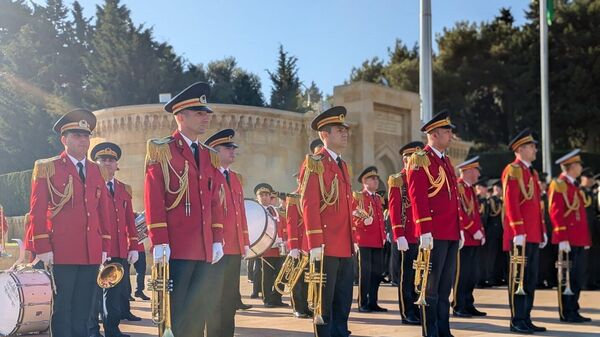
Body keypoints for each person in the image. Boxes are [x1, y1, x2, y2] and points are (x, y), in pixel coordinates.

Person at [144, 82, 226, 337]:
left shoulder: (209, 155)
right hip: (176, 248)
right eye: (199, 113)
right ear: (181, 116)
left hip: (203, 249)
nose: (206, 118)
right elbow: (154, 197)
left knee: (197, 314)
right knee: (174, 313)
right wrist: (159, 241)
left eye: (206, 113)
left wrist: (217, 238)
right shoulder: (162, 149)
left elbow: (214, 201)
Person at [29, 109, 111, 337]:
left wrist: (105, 245)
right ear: (64, 139)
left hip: (90, 251)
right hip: (61, 251)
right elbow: (36, 211)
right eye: (77, 135)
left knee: (85, 310)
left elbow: (103, 212)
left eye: (86, 135)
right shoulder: (49, 167)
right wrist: (42, 247)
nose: (83, 140)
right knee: (63, 309)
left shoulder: (97, 170)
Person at [300, 106, 355, 337]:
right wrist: (314, 243)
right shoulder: (315, 163)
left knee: (343, 302)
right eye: (338, 130)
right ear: (324, 135)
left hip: (345, 244)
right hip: (325, 245)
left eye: (345, 130)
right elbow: (309, 204)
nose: (344, 134)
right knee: (324, 304)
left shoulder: (343, 165)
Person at [406, 110, 461, 337]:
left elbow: (452, 198)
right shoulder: (420, 159)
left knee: (445, 286)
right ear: (434, 134)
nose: (451, 135)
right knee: (431, 288)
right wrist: (424, 230)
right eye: (447, 132)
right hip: (434, 233)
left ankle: (444, 330)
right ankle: (431, 332)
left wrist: (459, 229)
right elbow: (417, 197)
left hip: (450, 232)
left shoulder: (445, 160)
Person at [89, 142, 140, 337]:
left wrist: (133, 246)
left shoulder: (124, 189)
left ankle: (112, 329)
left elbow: (129, 221)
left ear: (116, 164)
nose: (107, 163)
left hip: (118, 249)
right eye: (102, 160)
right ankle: (93, 331)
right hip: (98, 248)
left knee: (115, 294)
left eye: (111, 160)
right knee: (94, 293)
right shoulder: (92, 186)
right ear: (96, 163)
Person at [204, 129, 252, 337]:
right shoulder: (208, 175)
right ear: (215, 151)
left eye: (233, 148)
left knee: (230, 297)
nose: (233, 151)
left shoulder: (235, 178)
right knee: (213, 298)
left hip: (233, 247)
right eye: (227, 148)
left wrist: (245, 241)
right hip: (216, 246)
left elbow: (240, 212)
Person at [502, 128, 547, 334]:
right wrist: (518, 230)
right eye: (531, 146)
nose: (535, 149)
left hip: (533, 234)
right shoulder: (513, 170)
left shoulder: (532, 172)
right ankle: (517, 319)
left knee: (530, 278)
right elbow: (511, 204)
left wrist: (542, 230)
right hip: (520, 235)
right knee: (518, 278)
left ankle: (526, 317)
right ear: (520, 149)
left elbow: (537, 205)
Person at [549, 149, 592, 323]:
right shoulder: (559, 184)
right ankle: (566, 311)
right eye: (579, 164)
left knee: (577, 276)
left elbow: (580, 216)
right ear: (572, 166)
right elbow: (555, 212)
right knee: (566, 277)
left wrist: (586, 239)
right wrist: (562, 237)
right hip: (567, 239)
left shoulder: (573, 186)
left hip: (579, 239)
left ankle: (574, 308)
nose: (581, 167)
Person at [389, 141, 424, 326]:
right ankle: (407, 311)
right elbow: (395, 209)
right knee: (408, 276)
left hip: (421, 235)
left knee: (422, 274)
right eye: (412, 159)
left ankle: (419, 308)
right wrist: (398, 234)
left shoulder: (423, 178)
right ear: (405, 160)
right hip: (407, 235)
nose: (415, 162)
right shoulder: (398, 179)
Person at [452, 157, 487, 318]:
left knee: (473, 273)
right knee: (462, 274)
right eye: (476, 170)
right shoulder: (458, 187)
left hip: (474, 237)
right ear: (467, 171)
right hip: (464, 237)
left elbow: (475, 214)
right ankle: (459, 305)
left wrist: (481, 232)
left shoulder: (470, 188)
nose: (478, 174)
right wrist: (474, 230)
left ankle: (468, 303)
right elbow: (460, 213)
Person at [354, 166, 387, 313]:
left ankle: (373, 301)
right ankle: (363, 302)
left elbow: (380, 219)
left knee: (376, 274)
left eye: (376, 178)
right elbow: (353, 216)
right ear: (364, 181)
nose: (376, 180)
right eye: (372, 178)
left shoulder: (378, 198)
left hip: (378, 241)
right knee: (365, 274)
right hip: (365, 241)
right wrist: (362, 222)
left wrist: (383, 236)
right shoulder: (359, 196)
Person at [254, 183, 289, 308]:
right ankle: (267, 299)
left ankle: (277, 298)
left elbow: (283, 226)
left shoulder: (275, 210)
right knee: (267, 275)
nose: (264, 197)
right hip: (266, 247)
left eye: (267, 195)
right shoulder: (257, 211)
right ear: (257, 198)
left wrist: (285, 240)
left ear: (270, 197)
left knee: (282, 274)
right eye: (261, 195)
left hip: (279, 248)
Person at [580, 168, 600, 290]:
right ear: (582, 178)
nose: (590, 180)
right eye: (588, 178)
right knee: (585, 257)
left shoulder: (592, 192)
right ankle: (584, 281)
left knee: (594, 256)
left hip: (594, 227)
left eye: (591, 178)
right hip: (585, 227)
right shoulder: (580, 191)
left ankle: (593, 280)